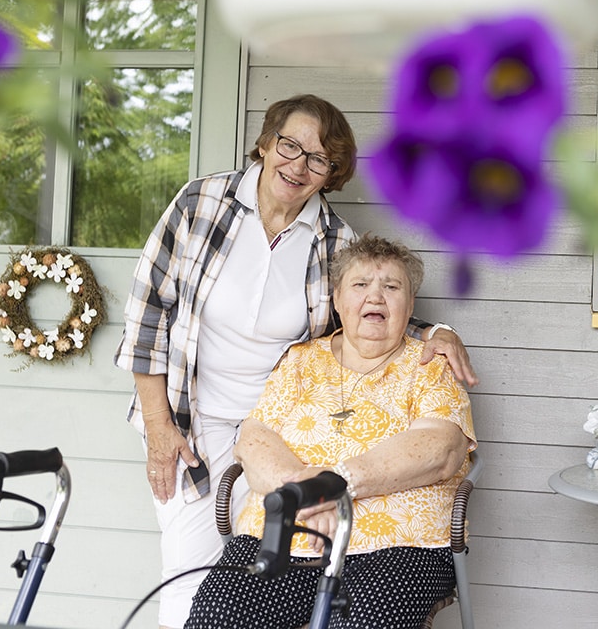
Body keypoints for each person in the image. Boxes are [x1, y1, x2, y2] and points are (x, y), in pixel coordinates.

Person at [113, 94, 477, 629]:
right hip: (190, 417)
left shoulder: (334, 240)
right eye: (290, 146)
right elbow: (149, 314)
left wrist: (438, 331)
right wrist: (158, 425)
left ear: (330, 174)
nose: (299, 165)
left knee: (261, 562)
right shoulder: (200, 204)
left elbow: (368, 306)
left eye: (320, 159)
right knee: (193, 571)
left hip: (273, 424)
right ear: (265, 143)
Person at [185, 235, 475, 629]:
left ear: (410, 306)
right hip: (289, 534)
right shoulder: (300, 362)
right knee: (219, 615)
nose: (376, 297)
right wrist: (306, 495)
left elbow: (439, 448)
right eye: (360, 285)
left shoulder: (430, 365)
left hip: (398, 546)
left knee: (363, 621)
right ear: (338, 300)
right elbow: (254, 440)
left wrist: (336, 484)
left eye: (391, 287)